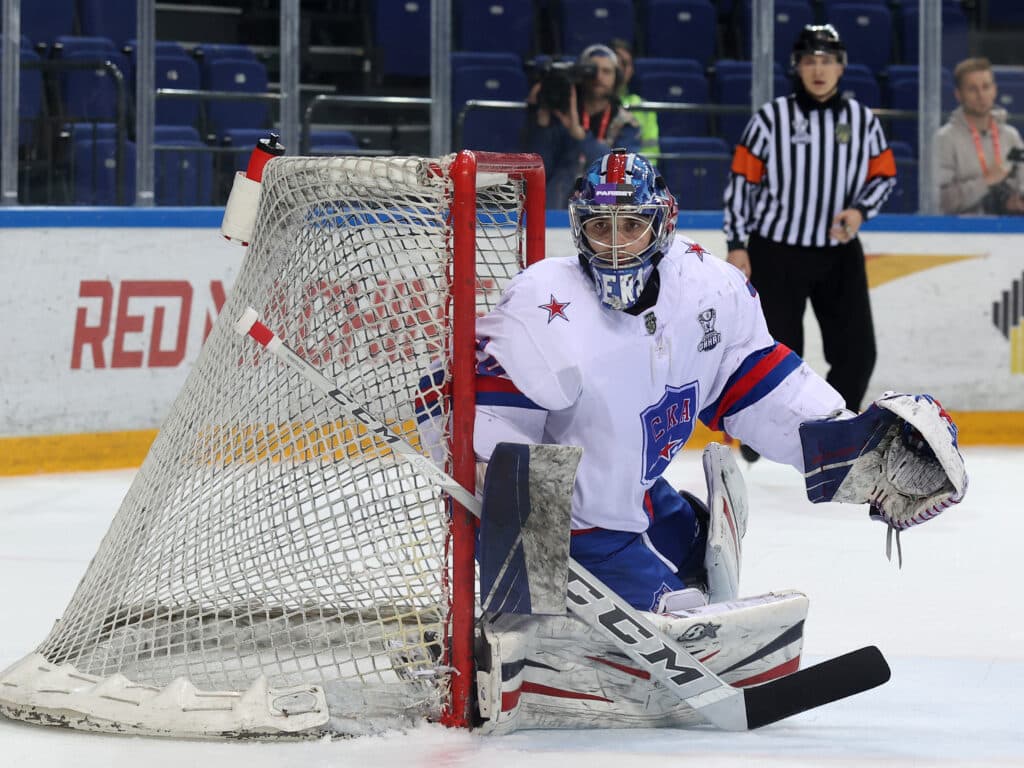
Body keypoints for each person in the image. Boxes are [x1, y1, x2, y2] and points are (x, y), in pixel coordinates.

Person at [469, 148, 963, 612]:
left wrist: (847, 447)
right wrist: (528, 574)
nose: (616, 244)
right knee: (684, 621)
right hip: (577, 526)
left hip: (634, 494)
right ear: (580, 229)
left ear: (662, 226)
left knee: (700, 549)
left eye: (632, 225)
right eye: (601, 226)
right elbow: (492, 440)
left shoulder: (705, 287)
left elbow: (755, 386)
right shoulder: (543, 304)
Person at [722, 24, 896, 462]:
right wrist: (737, 242)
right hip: (775, 251)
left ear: (841, 67)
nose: (819, 70)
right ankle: (764, 434)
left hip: (838, 252)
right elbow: (742, 182)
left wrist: (859, 211)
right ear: (797, 67)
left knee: (858, 353)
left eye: (827, 61)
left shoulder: (862, 121)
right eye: (810, 61)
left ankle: (831, 436)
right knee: (775, 353)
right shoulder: (770, 120)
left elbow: (884, 175)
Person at [525, 44, 641, 208]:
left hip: (604, 211)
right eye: (592, 70)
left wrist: (581, 136)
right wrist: (542, 124)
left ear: (617, 78)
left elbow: (624, 180)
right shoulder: (560, 114)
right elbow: (539, 171)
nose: (598, 77)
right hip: (558, 208)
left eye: (606, 71)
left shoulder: (626, 123)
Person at [935, 57, 1024, 215]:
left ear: (994, 90)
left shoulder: (1011, 136)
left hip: (1008, 227)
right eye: (972, 89)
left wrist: (1016, 201)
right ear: (958, 95)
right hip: (963, 228)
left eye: (986, 87)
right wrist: (986, 181)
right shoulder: (945, 139)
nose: (981, 95)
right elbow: (939, 201)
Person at [610, 38, 660, 157]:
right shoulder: (593, 102)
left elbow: (651, 154)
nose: (621, 69)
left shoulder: (644, 107)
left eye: (626, 63)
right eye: (617, 62)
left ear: (632, 70)